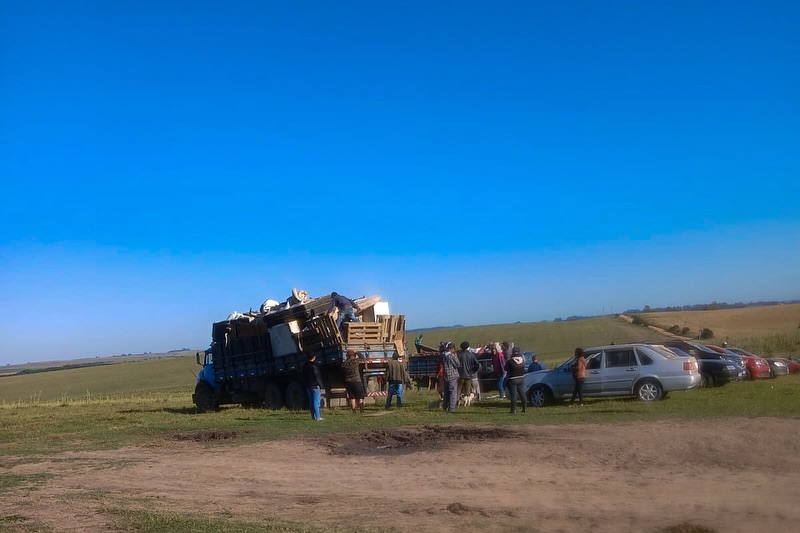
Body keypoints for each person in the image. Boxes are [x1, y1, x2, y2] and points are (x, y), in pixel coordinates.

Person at [341, 349, 365, 414]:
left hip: (348, 382)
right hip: (357, 381)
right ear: (353, 355)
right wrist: (357, 352)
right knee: (360, 397)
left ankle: (354, 411)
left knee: (352, 397)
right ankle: (361, 410)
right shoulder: (355, 361)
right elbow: (363, 358)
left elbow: (342, 370)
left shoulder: (344, 363)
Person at [505, 347, 527, 414]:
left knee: (513, 395)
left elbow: (505, 368)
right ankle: (524, 408)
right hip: (521, 378)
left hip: (513, 379)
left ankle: (513, 410)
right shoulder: (522, 360)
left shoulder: (510, 361)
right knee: (522, 394)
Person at [303, 352, 325, 420]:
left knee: (311, 401)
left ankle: (313, 416)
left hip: (308, 385)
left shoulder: (305, 366)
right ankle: (318, 417)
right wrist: (321, 385)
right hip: (314, 385)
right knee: (316, 401)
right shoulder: (314, 366)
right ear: (314, 357)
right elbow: (317, 376)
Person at [440, 342, 461, 412]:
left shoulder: (443, 356)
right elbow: (458, 364)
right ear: (451, 349)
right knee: (453, 393)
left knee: (446, 393)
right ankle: (452, 408)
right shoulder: (451, 356)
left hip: (446, 375)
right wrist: (456, 356)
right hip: (453, 375)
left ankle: (445, 406)